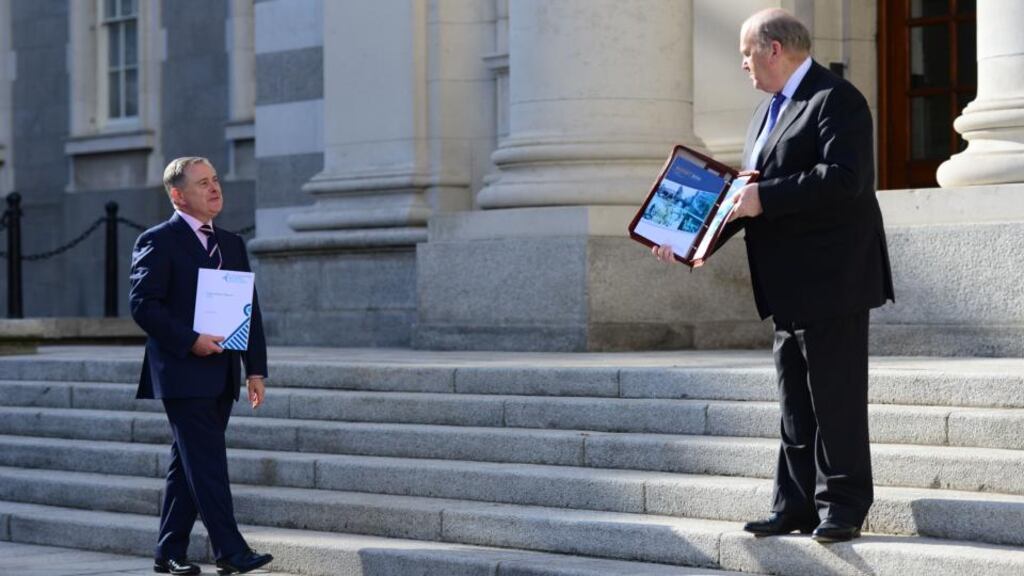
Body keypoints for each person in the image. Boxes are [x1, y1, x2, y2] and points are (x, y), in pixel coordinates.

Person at [653, 9, 894, 543]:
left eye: (747, 52)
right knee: (795, 402)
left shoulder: (836, 99)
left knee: (836, 397)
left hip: (834, 280)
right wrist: (690, 244)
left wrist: (765, 197)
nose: (742, 64)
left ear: (775, 48)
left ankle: (843, 507)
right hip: (785, 283)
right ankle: (794, 506)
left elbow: (845, 179)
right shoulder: (766, 113)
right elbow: (745, 199)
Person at [130, 157, 274, 574]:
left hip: (223, 372)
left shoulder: (231, 243)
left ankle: (168, 550)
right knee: (207, 462)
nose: (215, 189)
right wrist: (190, 340)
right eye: (202, 184)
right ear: (178, 195)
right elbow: (143, 306)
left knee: (188, 464)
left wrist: (256, 369)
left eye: (216, 180)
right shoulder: (158, 240)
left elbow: (251, 310)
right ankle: (230, 550)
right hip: (180, 371)